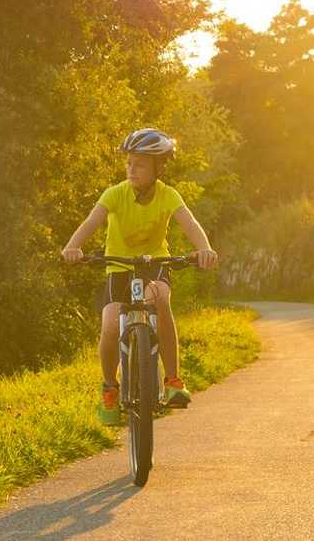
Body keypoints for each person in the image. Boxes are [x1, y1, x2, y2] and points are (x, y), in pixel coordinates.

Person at [61, 128, 219, 425]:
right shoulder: (115, 194)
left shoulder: (168, 195)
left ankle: (172, 380)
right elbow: (91, 221)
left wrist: (205, 249)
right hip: (118, 268)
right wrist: (73, 247)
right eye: (129, 163)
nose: (132, 169)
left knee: (160, 300)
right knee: (109, 324)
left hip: (154, 264)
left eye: (140, 164)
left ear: (158, 168)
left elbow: (190, 223)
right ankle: (110, 387)